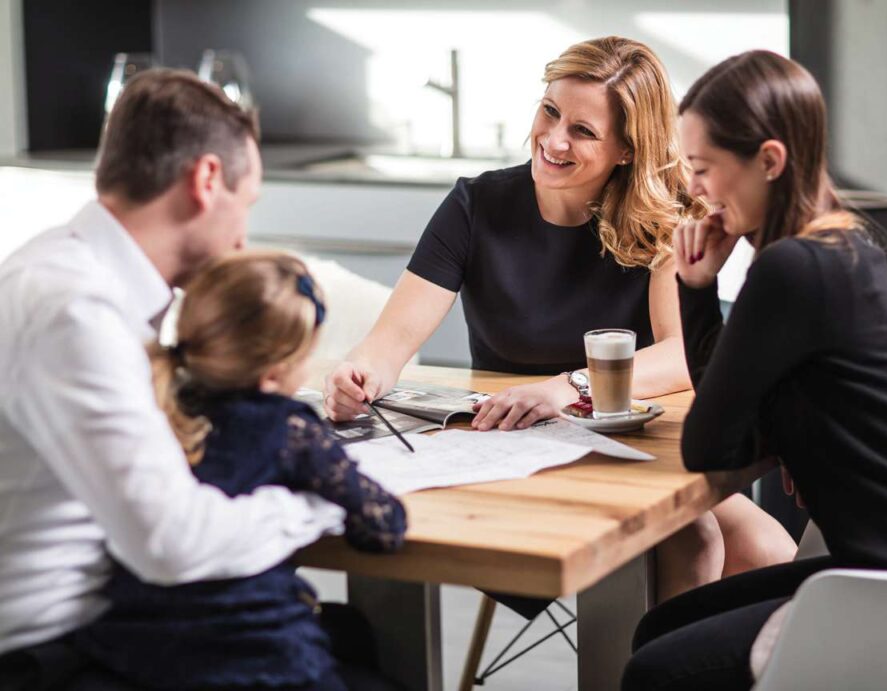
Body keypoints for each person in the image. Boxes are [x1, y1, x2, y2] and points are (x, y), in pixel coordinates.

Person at [323, 36, 796, 603]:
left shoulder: (665, 215)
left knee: (769, 552)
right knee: (693, 539)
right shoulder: (475, 206)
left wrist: (566, 390)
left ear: (627, 149)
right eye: (550, 111)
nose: (553, 139)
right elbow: (388, 344)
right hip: (507, 447)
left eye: (583, 131)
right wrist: (357, 375)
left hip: (623, 444)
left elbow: (680, 356)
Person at [622, 50, 887, 691]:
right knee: (660, 630)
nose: (692, 190)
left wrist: (695, 289)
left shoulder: (793, 268)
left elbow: (709, 445)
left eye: (702, 168)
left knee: (655, 669)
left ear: (770, 161)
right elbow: (747, 428)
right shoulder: (842, 244)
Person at [0, 70, 343, 689]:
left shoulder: (68, 268)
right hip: (54, 653)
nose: (244, 237)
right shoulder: (77, 312)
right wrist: (319, 504)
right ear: (207, 180)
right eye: (249, 203)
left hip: (117, 622)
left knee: (349, 637)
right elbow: (169, 542)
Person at [77, 251, 406, 690]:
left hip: (134, 651)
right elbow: (384, 529)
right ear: (276, 373)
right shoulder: (286, 428)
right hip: (256, 657)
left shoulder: (148, 405)